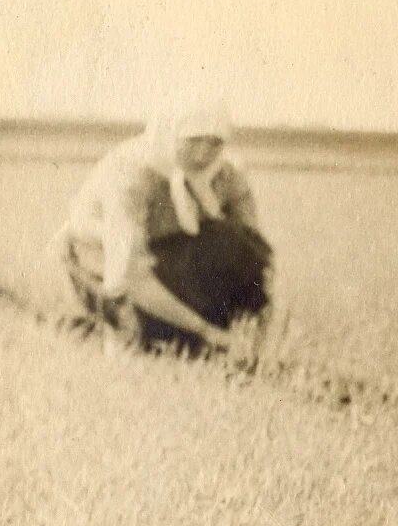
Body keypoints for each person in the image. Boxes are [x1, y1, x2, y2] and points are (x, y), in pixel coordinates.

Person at [61, 103, 277, 360]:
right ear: (169, 133)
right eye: (193, 141)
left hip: (165, 257)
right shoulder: (133, 173)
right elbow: (128, 274)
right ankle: (110, 325)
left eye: (214, 143)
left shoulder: (226, 175)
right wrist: (206, 331)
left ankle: (185, 328)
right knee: (143, 341)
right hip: (102, 265)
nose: (202, 155)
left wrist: (259, 335)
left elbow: (257, 258)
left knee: (238, 245)